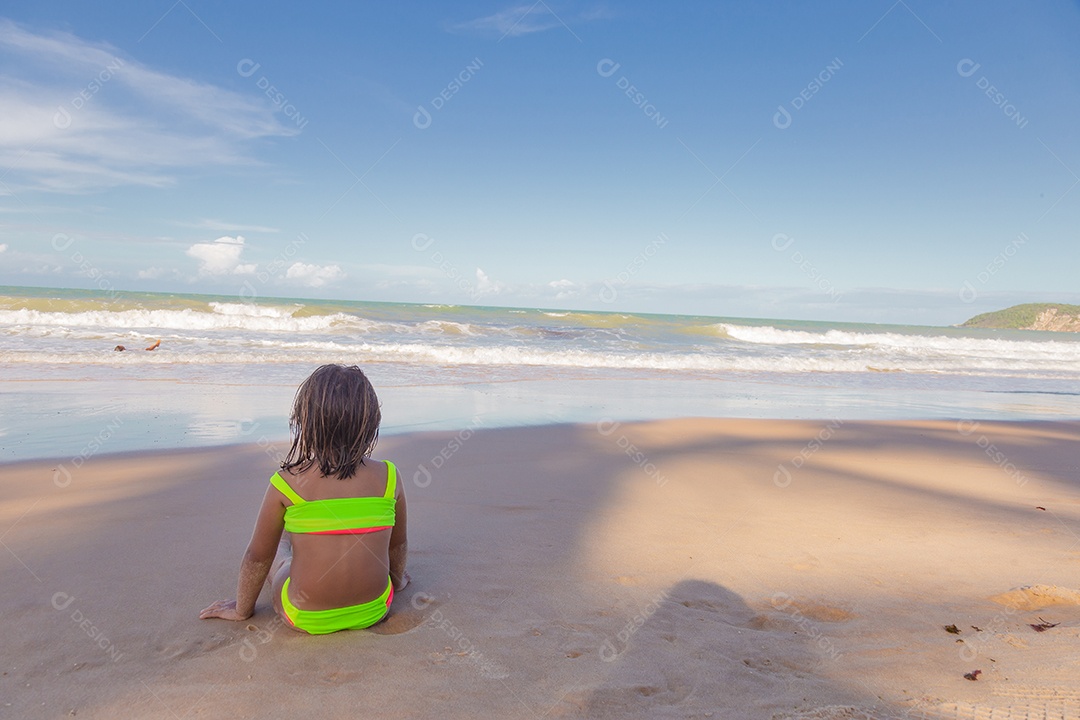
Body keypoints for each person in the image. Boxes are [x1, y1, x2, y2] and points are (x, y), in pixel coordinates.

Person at [200, 364, 409, 634]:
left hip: (304, 615)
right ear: (370, 424)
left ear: (304, 422)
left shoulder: (287, 483)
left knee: (278, 554)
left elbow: (257, 557)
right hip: (376, 608)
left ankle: (290, 542)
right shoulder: (389, 477)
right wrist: (398, 580)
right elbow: (398, 544)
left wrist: (242, 609)